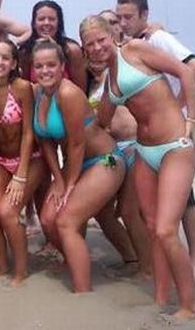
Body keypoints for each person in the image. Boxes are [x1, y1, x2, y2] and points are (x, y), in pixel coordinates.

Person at [80, 15, 195, 321]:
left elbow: (186, 71)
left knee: (166, 230)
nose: (97, 47)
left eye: (100, 39)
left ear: (111, 35)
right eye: (90, 44)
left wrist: (189, 118)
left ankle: (188, 306)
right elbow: (102, 121)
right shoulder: (110, 80)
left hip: (174, 147)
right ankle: (161, 296)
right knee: (152, 227)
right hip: (144, 152)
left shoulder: (134, 50)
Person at [116, 0, 195, 279]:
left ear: (144, 15)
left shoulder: (157, 38)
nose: (123, 22)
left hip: (177, 132)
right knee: (162, 204)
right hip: (152, 138)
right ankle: (171, 259)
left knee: (185, 198)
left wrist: (180, 110)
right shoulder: (133, 45)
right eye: (119, 17)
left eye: (129, 17)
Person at [32, 40, 126, 293]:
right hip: (78, 164)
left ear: (62, 66)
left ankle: (82, 291)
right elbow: (45, 141)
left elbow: (76, 144)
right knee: (47, 219)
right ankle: (76, 259)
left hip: (104, 160)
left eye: (51, 65)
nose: (45, 71)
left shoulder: (68, 93)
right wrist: (58, 179)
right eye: (39, 66)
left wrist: (69, 184)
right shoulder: (38, 93)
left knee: (66, 221)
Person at [0, 40, 45, 285]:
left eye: (6, 58)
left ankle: (21, 270)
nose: (0, 62)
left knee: (7, 212)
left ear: (14, 63)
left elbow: (28, 133)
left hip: (30, 159)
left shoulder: (22, 88)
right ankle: (2, 265)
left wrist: (20, 175)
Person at [85, 40, 152, 277]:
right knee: (103, 210)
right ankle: (132, 258)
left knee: (129, 210)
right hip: (112, 155)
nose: (95, 56)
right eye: (89, 52)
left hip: (132, 147)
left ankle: (147, 268)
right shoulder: (88, 83)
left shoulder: (117, 73)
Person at [19, 0, 87, 91]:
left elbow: (81, 90)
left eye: (51, 19)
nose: (46, 23)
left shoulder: (72, 50)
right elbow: (24, 89)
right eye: (41, 19)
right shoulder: (25, 52)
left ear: (59, 23)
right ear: (34, 24)